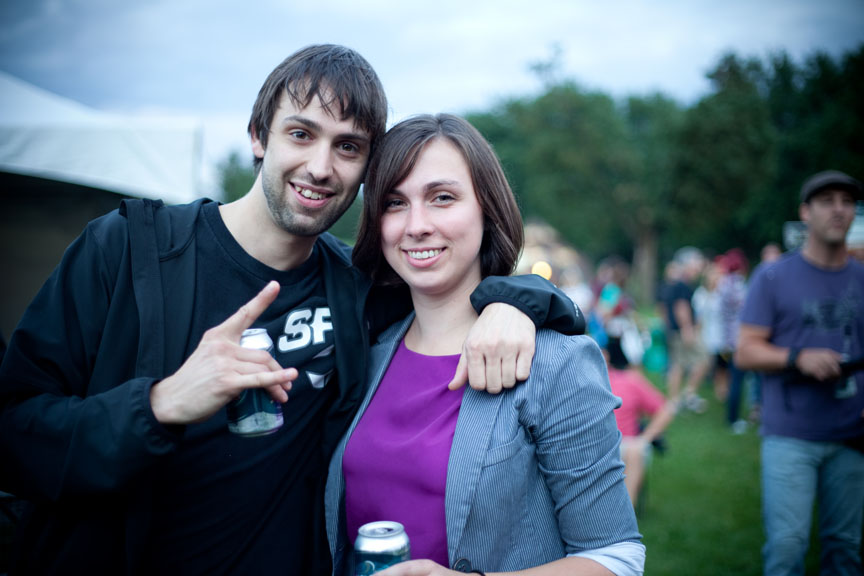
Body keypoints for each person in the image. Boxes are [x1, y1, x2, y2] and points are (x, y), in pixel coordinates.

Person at [0, 46, 583, 576]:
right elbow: (13, 435)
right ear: (259, 136)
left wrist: (517, 301)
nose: (321, 167)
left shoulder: (356, 291)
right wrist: (161, 404)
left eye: (348, 146)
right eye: (301, 134)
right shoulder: (129, 251)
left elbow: (454, 281)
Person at [324, 114, 643, 575]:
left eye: (442, 197)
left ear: (487, 209)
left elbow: (617, 558)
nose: (416, 225)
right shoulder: (365, 353)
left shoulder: (554, 362)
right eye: (395, 202)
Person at [735, 169, 864, 576]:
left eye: (847, 202)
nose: (839, 210)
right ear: (805, 212)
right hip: (790, 435)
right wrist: (798, 357)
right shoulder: (774, 276)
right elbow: (744, 351)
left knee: (845, 550)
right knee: (787, 548)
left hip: (852, 435)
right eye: (827, 201)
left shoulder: (861, 277)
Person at [604, 336, 676, 509]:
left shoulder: (630, 380)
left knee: (635, 451)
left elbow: (665, 409)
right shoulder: (585, 381)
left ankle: (625, 513)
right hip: (595, 444)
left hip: (626, 445)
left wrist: (645, 438)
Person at [659, 248, 710, 412]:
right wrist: (687, 328)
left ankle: (678, 399)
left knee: (678, 364)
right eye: (696, 262)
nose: (699, 267)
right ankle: (685, 395)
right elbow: (681, 307)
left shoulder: (676, 282)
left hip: (676, 330)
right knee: (701, 360)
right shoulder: (682, 283)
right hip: (682, 330)